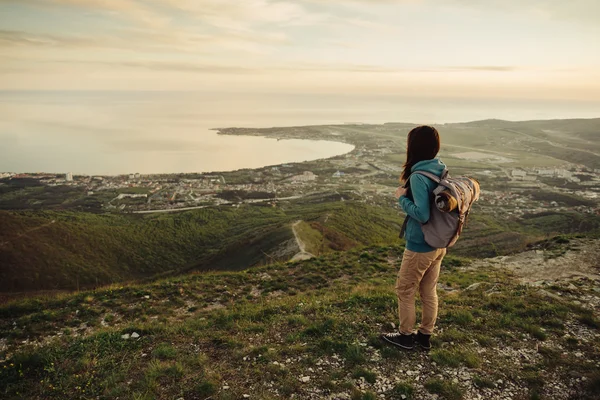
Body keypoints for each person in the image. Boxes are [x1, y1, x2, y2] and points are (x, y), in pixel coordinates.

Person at [382, 125, 447, 351]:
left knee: (405, 290)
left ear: (414, 147)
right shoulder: (439, 168)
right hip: (438, 243)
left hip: (420, 245)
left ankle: (405, 337)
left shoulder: (419, 176)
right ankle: (425, 336)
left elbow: (422, 213)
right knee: (428, 290)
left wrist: (401, 197)